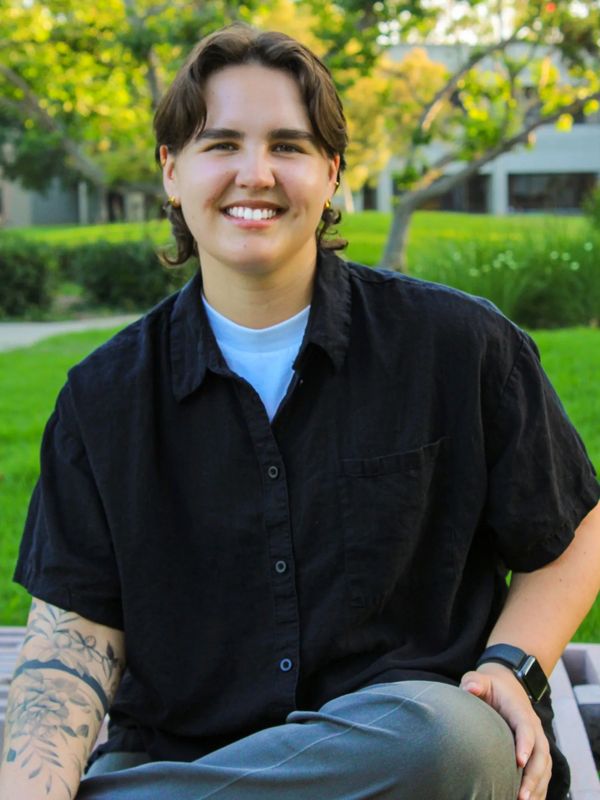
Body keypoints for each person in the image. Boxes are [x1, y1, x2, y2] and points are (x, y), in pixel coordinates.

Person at [0, 23, 599, 800]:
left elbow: (574, 530)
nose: (256, 173)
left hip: (413, 759)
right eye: (221, 145)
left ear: (331, 173)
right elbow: (69, 648)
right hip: (184, 751)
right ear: (172, 172)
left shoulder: (458, 344)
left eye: (288, 145)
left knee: (450, 740)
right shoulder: (102, 399)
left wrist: (507, 666)